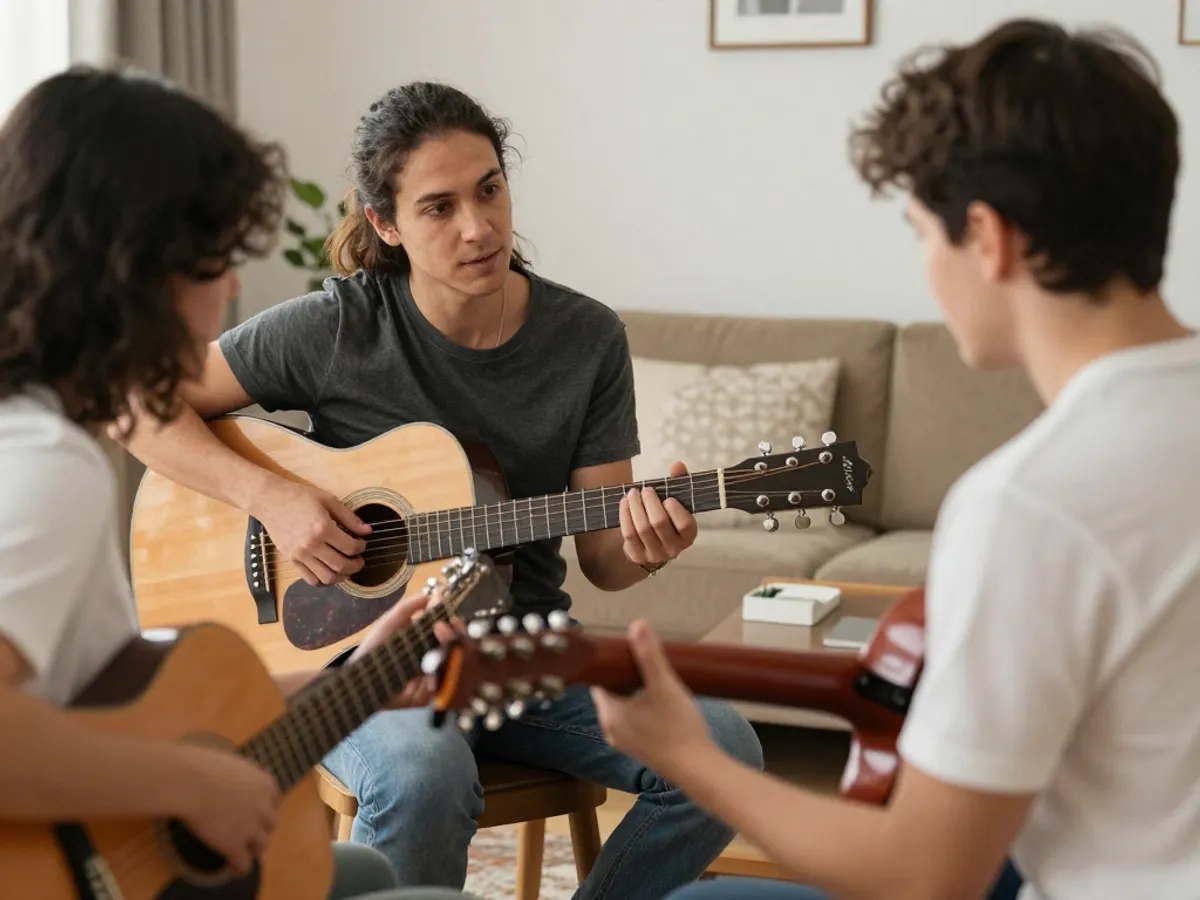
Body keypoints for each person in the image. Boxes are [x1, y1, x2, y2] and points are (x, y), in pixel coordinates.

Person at [589, 17, 1200, 900]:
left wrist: (688, 755)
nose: (925, 266)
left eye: (923, 232)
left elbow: (927, 875)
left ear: (988, 238)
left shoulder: (1030, 503)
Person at [119, 79, 764, 897]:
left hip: (515, 651)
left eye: (490, 189)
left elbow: (604, 559)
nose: (479, 226)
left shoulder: (586, 338)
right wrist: (270, 497)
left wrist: (648, 544)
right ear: (385, 224)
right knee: (423, 775)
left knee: (724, 748)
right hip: (355, 659)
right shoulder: (339, 327)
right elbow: (143, 407)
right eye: (439, 206)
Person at [0, 65, 482, 900]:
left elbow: (112, 713)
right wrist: (190, 787)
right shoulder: (46, 463)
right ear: (132, 266)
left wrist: (351, 678)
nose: (230, 288)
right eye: (214, 260)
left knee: (363, 870)